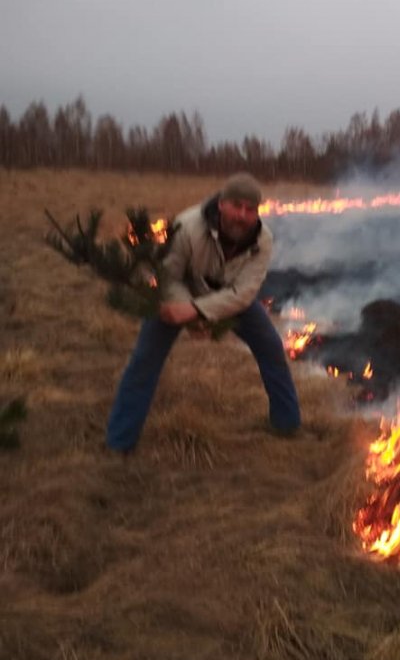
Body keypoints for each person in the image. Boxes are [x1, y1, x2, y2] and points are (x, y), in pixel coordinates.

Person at [106, 172, 301, 452]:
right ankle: (119, 443)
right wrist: (185, 310)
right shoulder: (186, 227)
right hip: (178, 294)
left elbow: (244, 293)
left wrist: (199, 311)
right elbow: (167, 275)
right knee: (144, 360)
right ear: (222, 204)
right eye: (237, 206)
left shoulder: (263, 240)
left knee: (271, 347)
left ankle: (287, 424)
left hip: (227, 298)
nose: (242, 216)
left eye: (250, 209)